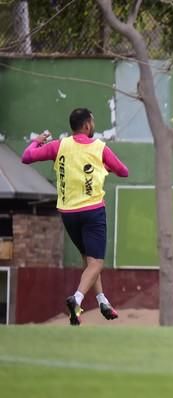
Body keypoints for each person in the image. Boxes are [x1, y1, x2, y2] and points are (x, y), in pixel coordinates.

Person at [21, 108, 129, 326]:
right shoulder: (99, 148)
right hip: (92, 211)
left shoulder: (60, 146)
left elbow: (26, 157)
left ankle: (102, 302)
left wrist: (37, 141)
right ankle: (77, 299)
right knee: (96, 262)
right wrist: (103, 166)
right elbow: (123, 171)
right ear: (88, 125)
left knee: (89, 261)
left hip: (68, 214)